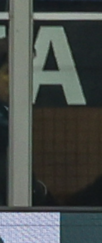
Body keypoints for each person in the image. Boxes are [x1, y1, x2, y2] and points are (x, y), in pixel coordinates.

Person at [0, 38, 53, 206]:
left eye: (26, 71)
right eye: (9, 72)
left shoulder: (12, 115)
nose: (20, 80)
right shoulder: (6, 124)